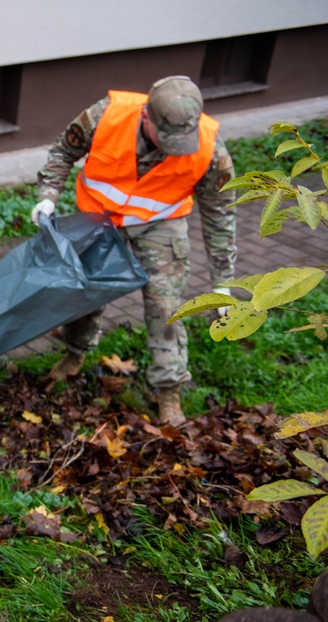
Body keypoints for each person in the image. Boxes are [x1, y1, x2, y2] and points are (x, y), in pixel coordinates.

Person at [32, 75, 236, 426]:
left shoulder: (209, 149)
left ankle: (169, 391)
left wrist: (222, 284)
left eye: (182, 140)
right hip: (99, 216)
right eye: (166, 138)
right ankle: (75, 352)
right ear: (146, 117)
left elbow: (220, 217)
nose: (175, 148)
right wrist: (48, 198)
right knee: (85, 291)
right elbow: (63, 151)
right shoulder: (106, 116)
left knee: (166, 304)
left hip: (160, 222)